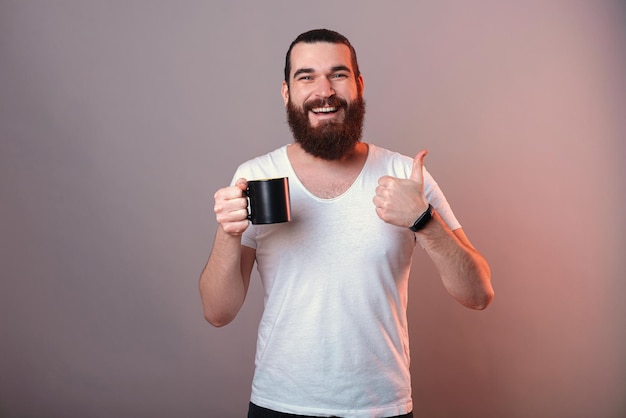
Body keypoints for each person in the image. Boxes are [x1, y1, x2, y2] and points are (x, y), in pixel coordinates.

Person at [199, 29, 494, 418]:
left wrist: (425, 221)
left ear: (358, 85)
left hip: (380, 407)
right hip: (280, 403)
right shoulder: (257, 176)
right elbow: (218, 312)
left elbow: (479, 294)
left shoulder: (405, 175)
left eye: (338, 74)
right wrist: (228, 232)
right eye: (306, 77)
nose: (324, 90)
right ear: (286, 92)